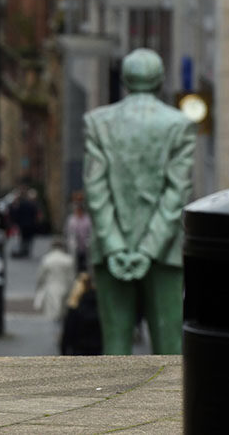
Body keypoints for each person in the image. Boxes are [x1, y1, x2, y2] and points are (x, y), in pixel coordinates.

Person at [82, 47, 195, 355]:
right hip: (165, 251)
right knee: (169, 346)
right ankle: (168, 404)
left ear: (125, 81)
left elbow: (96, 189)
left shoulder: (98, 122)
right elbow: (177, 194)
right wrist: (148, 249)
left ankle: (114, 403)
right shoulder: (178, 125)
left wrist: (116, 244)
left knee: (116, 346)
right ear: (160, 82)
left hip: (110, 251)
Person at [33, 237, 76, 322]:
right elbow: (71, 276)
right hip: (65, 286)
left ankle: (53, 330)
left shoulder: (47, 259)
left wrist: (38, 286)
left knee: (53, 312)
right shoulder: (68, 259)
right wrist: (72, 288)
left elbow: (41, 276)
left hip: (51, 287)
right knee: (64, 312)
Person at [64, 190, 92, 272]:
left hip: (86, 248)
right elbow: (67, 233)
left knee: (86, 268)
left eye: (80, 208)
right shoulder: (71, 220)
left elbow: (90, 232)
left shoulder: (87, 219)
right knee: (75, 268)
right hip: (74, 248)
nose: (78, 210)